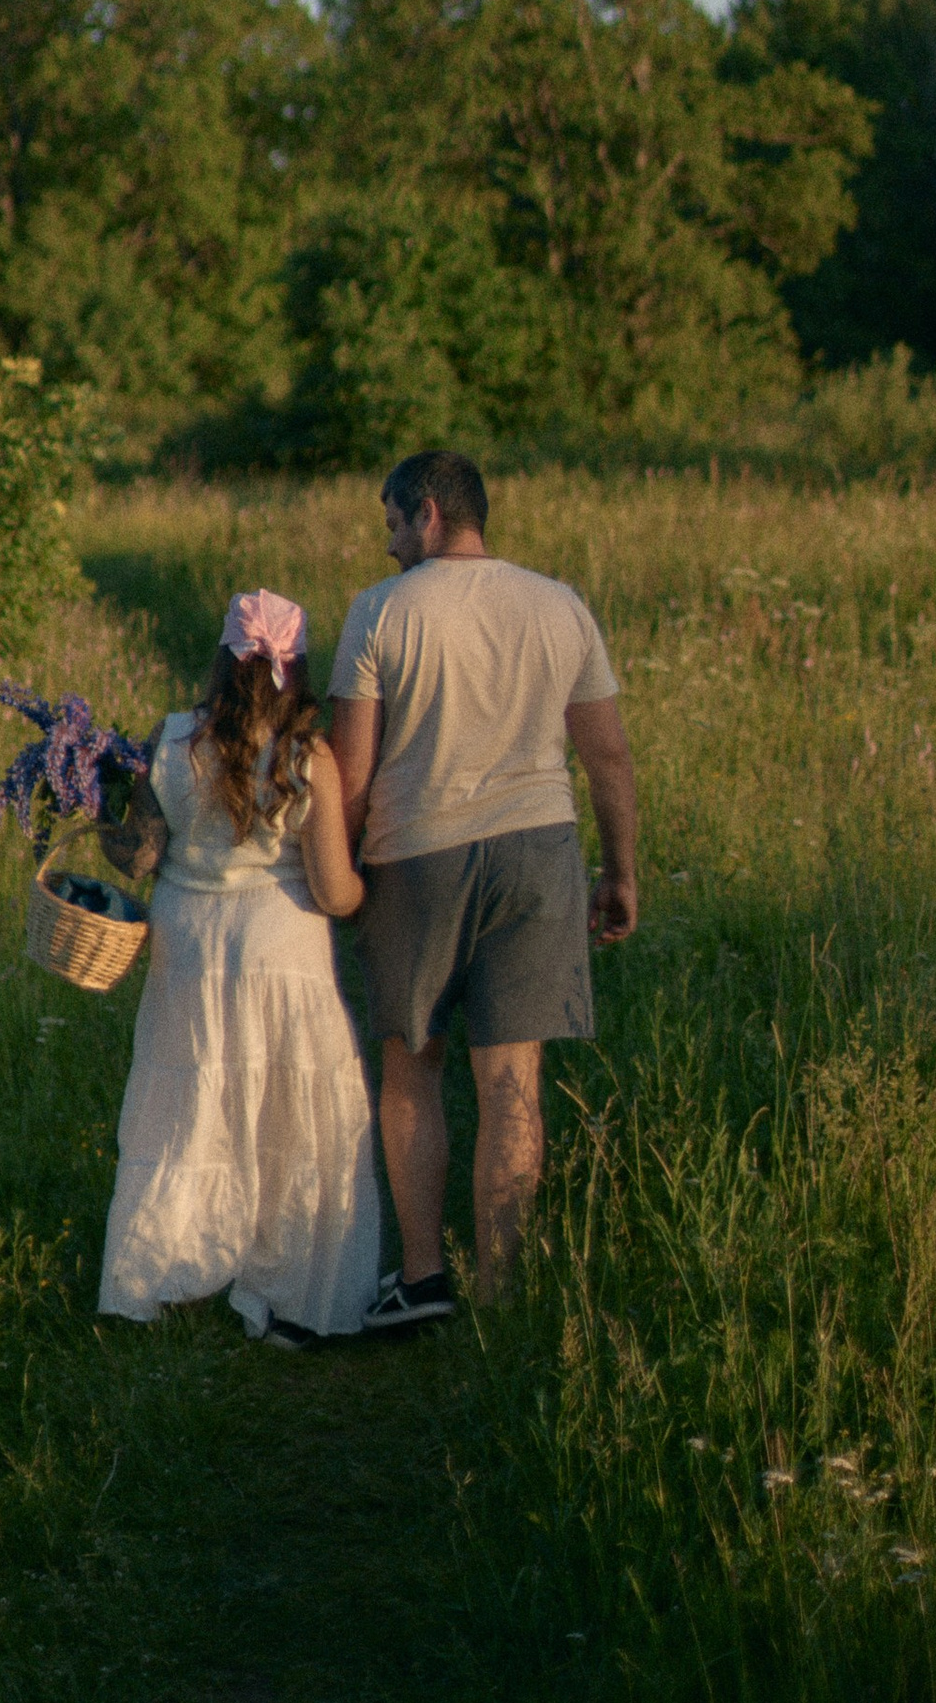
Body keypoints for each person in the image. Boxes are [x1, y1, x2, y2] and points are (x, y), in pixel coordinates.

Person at [328, 449, 637, 1327]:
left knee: (412, 1066)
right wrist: (619, 871)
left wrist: (338, 876)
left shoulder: (380, 613)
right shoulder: (559, 603)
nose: (389, 545)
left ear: (427, 513)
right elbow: (607, 753)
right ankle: (503, 1296)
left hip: (417, 854)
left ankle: (424, 1279)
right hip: (539, 852)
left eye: (392, 523)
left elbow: (352, 770)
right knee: (512, 1082)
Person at [96, 587, 383, 1346]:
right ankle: (292, 1287)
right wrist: (373, 885)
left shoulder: (172, 739)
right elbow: (333, 890)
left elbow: (138, 857)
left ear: (223, 659)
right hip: (278, 946)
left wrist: (102, 800)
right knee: (290, 1113)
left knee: (187, 1108)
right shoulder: (306, 755)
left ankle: (164, 1268)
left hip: (187, 946)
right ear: (297, 666)